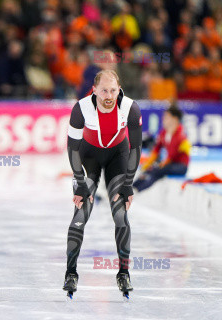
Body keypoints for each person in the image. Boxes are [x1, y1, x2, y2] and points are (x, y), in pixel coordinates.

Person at [64, 70, 142, 297]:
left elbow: (135, 149)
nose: (109, 95)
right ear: (94, 90)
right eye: (104, 90)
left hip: (118, 157)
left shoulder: (130, 108)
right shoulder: (81, 108)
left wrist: (128, 185)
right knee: (80, 215)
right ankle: (71, 273)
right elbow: (73, 149)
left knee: (120, 215)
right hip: (89, 158)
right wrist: (79, 182)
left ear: (119, 89)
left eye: (113, 90)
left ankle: (124, 273)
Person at [133, 104, 190, 192]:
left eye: (167, 117)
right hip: (170, 164)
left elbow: (171, 156)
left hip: (180, 166)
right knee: (150, 169)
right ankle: (131, 188)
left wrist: (159, 165)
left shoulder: (180, 136)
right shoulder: (164, 133)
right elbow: (156, 149)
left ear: (175, 119)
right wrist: (147, 164)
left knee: (156, 170)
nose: (163, 119)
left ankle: (136, 190)